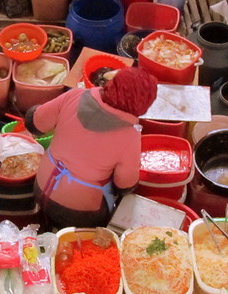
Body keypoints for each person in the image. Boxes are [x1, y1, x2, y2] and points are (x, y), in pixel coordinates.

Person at [25, 67, 158, 230]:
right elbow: (125, 185)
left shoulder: (74, 96)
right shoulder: (131, 136)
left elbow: (35, 123)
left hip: (42, 187)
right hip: (82, 212)